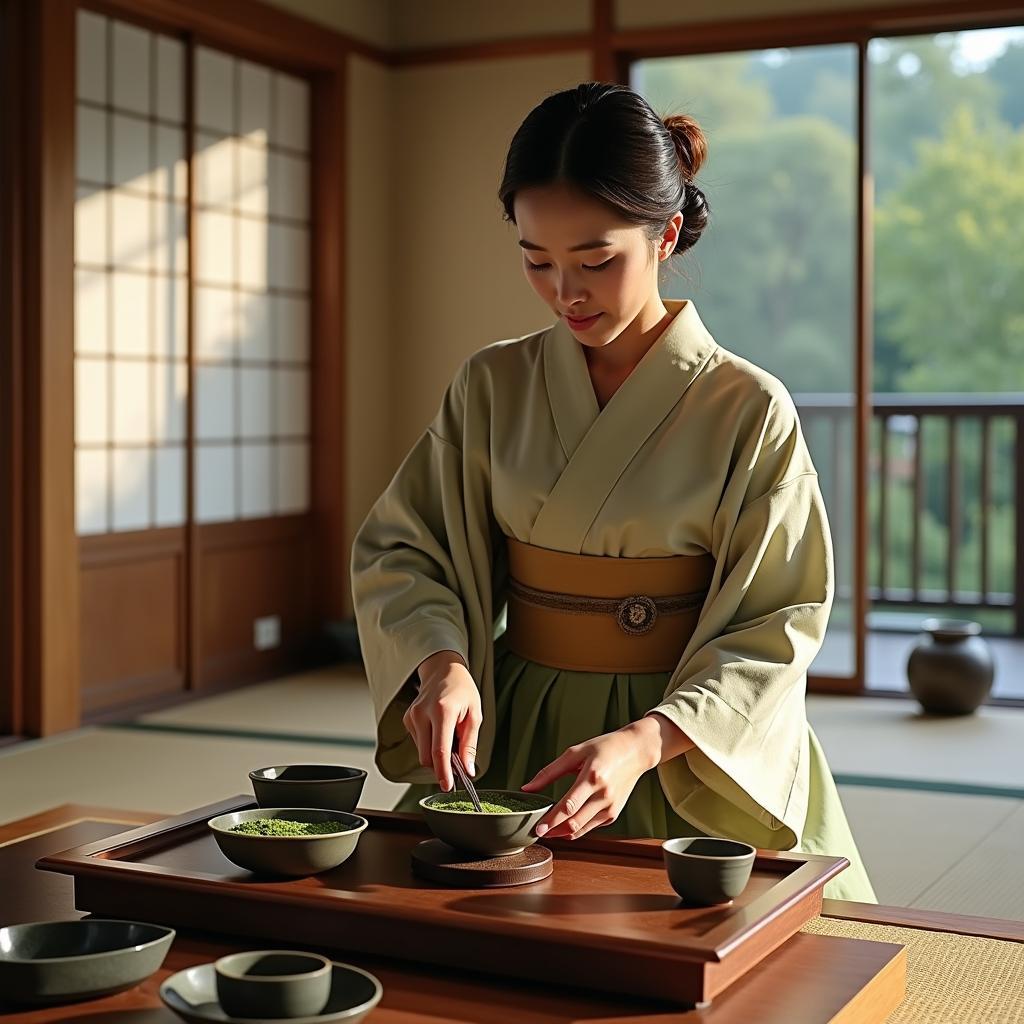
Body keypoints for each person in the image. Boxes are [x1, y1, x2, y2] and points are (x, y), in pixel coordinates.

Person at [350, 82, 876, 902]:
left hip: (682, 743)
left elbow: (779, 618)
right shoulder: (490, 386)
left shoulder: (747, 406)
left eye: (596, 261)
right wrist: (442, 662)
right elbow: (404, 546)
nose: (567, 292)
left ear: (665, 235)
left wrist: (641, 743)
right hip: (520, 724)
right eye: (536, 260)